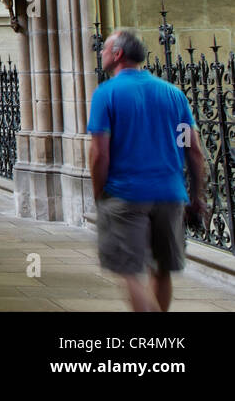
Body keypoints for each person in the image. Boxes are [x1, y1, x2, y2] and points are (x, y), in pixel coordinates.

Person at [89, 29, 208, 312]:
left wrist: (99, 193)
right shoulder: (174, 95)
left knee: (129, 271)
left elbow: (99, 153)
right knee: (162, 269)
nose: (101, 53)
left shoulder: (106, 94)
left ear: (117, 54)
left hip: (125, 194)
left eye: (105, 49)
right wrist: (196, 196)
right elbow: (193, 151)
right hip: (170, 194)